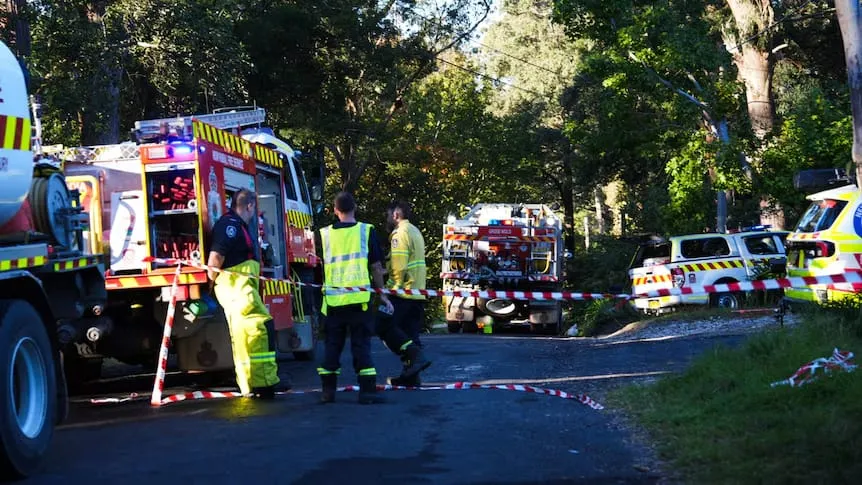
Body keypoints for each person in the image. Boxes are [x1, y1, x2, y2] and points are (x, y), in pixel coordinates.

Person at [206, 188, 289, 399]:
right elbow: (215, 258)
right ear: (249, 206)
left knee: (242, 336)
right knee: (260, 328)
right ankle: (265, 382)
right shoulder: (230, 226)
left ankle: (249, 384)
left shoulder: (233, 224)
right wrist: (212, 280)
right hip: (238, 288)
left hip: (238, 287)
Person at [317, 191, 392, 404]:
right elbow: (376, 267)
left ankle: (328, 392)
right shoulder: (366, 231)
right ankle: (367, 392)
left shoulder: (325, 234)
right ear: (355, 208)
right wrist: (382, 294)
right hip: (359, 301)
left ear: (335, 210)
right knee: (361, 346)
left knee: (332, 347)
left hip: (333, 302)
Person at [377, 200, 431, 387]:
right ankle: (411, 376)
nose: (387, 218)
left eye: (388, 215)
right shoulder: (415, 231)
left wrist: (390, 289)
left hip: (402, 292)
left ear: (396, 215)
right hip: (417, 292)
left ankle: (416, 357)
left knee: (383, 326)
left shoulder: (399, 234)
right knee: (410, 334)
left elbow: (399, 267)